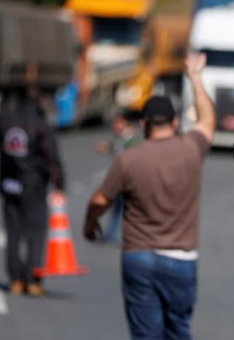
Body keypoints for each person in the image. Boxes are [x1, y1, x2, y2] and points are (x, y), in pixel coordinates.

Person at [82, 53, 215, 340]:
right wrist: (194, 76)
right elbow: (207, 120)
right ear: (175, 121)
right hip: (181, 258)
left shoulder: (129, 159)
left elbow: (100, 201)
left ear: (143, 124)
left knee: (146, 335)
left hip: (138, 257)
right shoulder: (191, 148)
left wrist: (90, 223)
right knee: (178, 331)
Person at [0, 87, 66, 297]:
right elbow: (52, 158)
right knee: (35, 235)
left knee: (13, 234)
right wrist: (60, 185)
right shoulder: (41, 127)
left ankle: (15, 279)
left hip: (9, 186)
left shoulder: (5, 122)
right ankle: (33, 281)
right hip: (34, 189)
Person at [94, 114, 141, 242]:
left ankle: (130, 235)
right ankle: (110, 234)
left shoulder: (132, 139)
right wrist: (105, 148)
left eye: (117, 124)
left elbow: (127, 155)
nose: (115, 127)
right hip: (120, 180)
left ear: (125, 123)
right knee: (116, 209)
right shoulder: (122, 137)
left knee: (128, 210)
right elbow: (116, 147)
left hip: (127, 180)